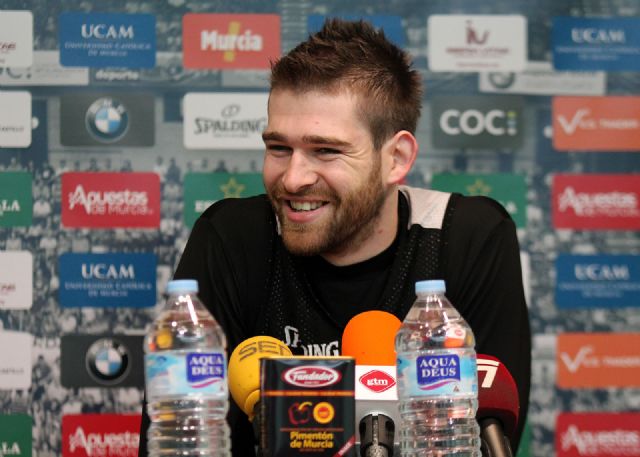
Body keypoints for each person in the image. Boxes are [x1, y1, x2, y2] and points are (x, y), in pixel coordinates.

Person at [138, 19, 531, 456]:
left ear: (396, 158)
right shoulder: (232, 238)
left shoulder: (467, 238)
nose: (293, 178)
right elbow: (183, 440)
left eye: (325, 150)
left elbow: (485, 435)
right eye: (279, 148)